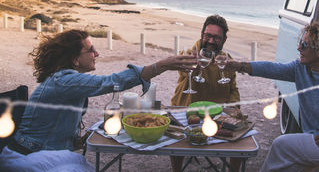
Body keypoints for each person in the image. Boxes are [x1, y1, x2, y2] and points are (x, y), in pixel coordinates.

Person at [7, 30, 196, 156]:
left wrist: (77, 139)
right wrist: (161, 65)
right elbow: (110, 82)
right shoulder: (64, 81)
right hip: (32, 154)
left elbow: (58, 121)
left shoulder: (66, 79)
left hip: (47, 149)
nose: (97, 54)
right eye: (90, 50)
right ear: (75, 60)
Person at [226, 24, 319, 171]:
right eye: (300, 43)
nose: (299, 48)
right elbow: (273, 68)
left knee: (281, 145)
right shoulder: (301, 69)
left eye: (304, 45)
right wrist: (240, 66)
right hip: (316, 140)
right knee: (290, 164)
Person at [170, 15, 242, 172]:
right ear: (202, 34)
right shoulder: (189, 54)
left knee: (240, 139)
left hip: (218, 114)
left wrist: (235, 108)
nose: (210, 41)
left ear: (224, 40)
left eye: (216, 37)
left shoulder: (226, 59)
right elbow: (183, 70)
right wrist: (193, 67)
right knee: (177, 137)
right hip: (188, 111)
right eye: (208, 35)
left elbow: (233, 88)